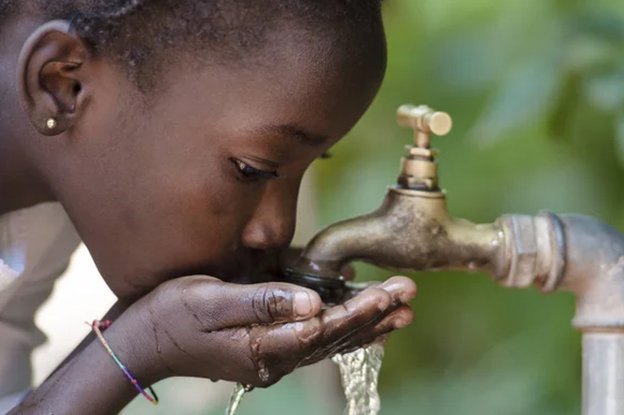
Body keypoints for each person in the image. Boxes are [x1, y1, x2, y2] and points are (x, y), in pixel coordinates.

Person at [0, 1, 417, 413]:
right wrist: (139, 345)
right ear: (61, 84)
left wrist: (141, 331)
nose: (277, 230)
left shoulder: (40, 210)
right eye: (252, 170)